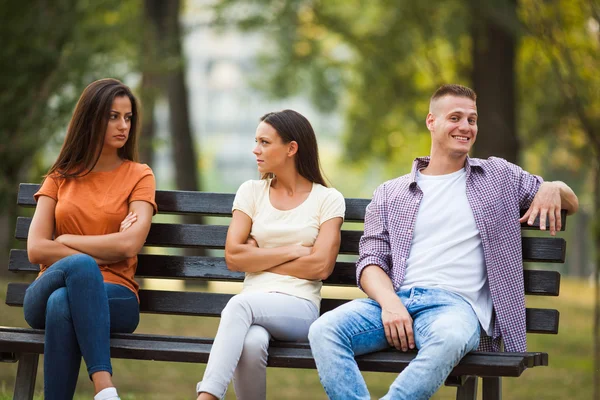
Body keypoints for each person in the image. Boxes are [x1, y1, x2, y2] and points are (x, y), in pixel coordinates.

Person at [308, 84, 579, 400]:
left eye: (472, 119)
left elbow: (570, 202)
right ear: (431, 121)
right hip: (397, 302)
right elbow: (370, 262)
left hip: (455, 309)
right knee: (324, 331)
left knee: (449, 339)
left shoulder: (499, 177)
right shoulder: (390, 193)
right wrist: (391, 304)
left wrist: (552, 186)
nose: (466, 127)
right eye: (455, 117)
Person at [195, 109, 345, 400]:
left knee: (239, 306)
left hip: (299, 306)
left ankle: (207, 397)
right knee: (250, 345)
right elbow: (234, 257)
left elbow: (321, 266)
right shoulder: (251, 192)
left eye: (264, 142)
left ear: (291, 148)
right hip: (254, 305)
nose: (255, 149)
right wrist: (289, 251)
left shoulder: (327, 199)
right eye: (256, 141)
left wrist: (260, 257)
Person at [24, 78, 157, 400]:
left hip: (117, 295)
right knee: (74, 274)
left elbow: (128, 245)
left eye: (128, 117)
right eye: (113, 116)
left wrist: (68, 239)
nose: (123, 125)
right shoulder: (59, 177)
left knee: (63, 302)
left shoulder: (139, 175)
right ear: (90, 118)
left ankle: (101, 388)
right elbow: (36, 248)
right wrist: (95, 251)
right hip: (47, 288)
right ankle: (105, 387)